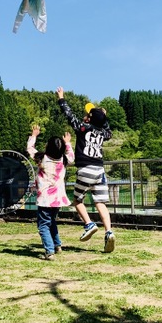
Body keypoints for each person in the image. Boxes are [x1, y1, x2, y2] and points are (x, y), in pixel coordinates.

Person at [56, 87, 115, 253]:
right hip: (99, 171)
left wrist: (61, 99)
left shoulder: (82, 127)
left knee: (77, 200)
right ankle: (108, 231)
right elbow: (109, 130)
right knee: (100, 203)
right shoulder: (104, 133)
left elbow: (69, 115)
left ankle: (89, 224)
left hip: (85, 169)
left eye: (88, 115)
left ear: (88, 119)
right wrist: (103, 117)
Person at [27, 125, 74, 261]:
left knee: (43, 225)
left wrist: (34, 135)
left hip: (45, 199)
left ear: (48, 147)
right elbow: (71, 156)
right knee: (51, 221)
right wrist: (68, 142)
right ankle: (57, 245)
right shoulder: (63, 160)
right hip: (57, 199)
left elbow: (30, 149)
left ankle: (49, 251)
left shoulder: (42, 158)